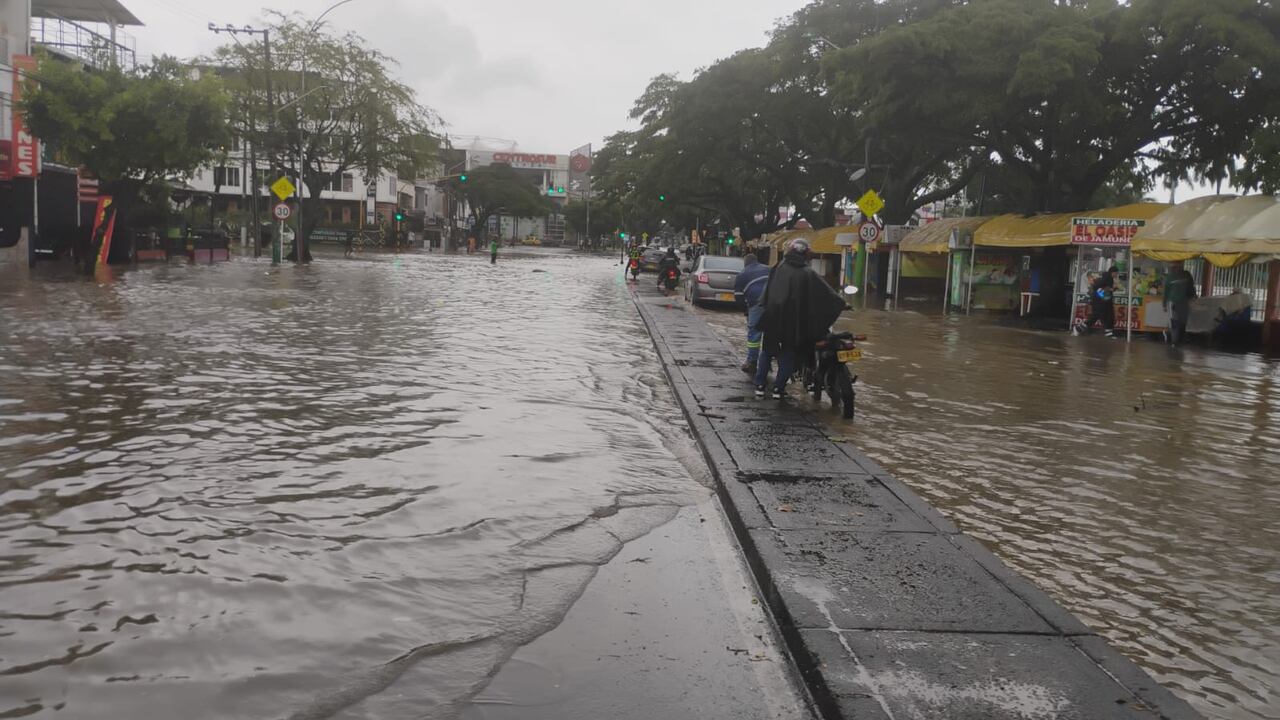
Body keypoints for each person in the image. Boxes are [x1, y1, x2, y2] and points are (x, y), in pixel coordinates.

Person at [755, 238, 848, 400]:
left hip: (773, 318)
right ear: (806, 254)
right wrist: (842, 303)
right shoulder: (808, 272)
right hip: (794, 322)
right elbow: (827, 294)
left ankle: (760, 386)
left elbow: (767, 292)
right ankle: (778, 389)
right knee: (788, 354)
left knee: (767, 351)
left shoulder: (778, 267)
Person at [734, 253, 771, 374]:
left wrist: (745, 310)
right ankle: (767, 362)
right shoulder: (768, 268)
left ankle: (752, 362)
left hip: (756, 303)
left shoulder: (742, 274)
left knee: (754, 334)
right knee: (771, 333)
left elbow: (738, 297)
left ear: (745, 263)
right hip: (774, 303)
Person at [1077, 266, 1119, 337]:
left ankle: (1109, 332)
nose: (1117, 275)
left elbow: (1104, 288)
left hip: (1104, 301)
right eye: (1116, 273)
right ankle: (1079, 328)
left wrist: (1111, 290)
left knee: (1109, 316)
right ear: (1113, 272)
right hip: (1100, 302)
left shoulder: (1108, 278)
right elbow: (1097, 287)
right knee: (1097, 316)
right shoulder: (1107, 278)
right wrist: (1103, 295)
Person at [1162, 262, 1197, 346]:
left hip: (1184, 302)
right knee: (1175, 322)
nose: (1175, 268)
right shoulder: (1169, 277)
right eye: (1173, 267)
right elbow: (1166, 292)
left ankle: (1173, 337)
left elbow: (1191, 286)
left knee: (1183, 322)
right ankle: (1174, 341)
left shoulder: (1186, 275)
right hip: (1173, 302)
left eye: (1177, 266)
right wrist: (1164, 304)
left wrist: (1193, 295)